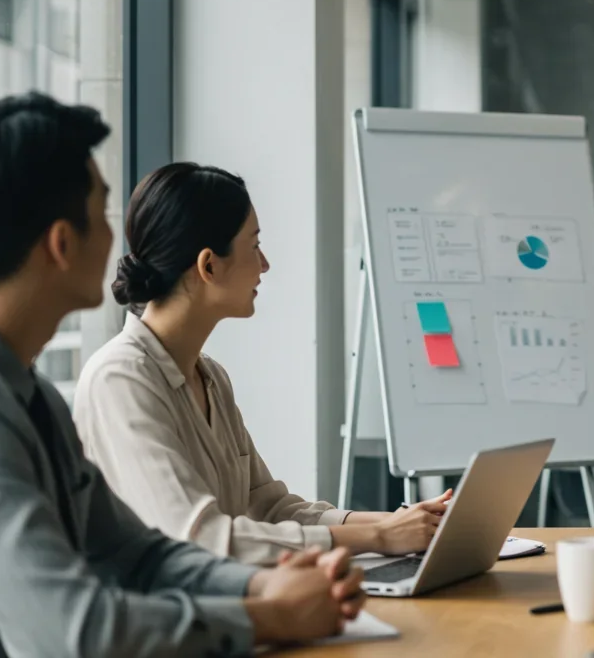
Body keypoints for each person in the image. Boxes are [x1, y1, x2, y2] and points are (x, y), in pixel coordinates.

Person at [0, 92, 366, 657]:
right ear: (62, 244)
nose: (121, 240)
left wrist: (265, 585)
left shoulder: (33, 396)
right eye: (103, 211)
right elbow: (75, 630)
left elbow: (139, 554)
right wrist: (265, 615)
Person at [73, 162, 452, 565]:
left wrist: (399, 522)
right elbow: (199, 536)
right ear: (209, 266)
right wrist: (377, 536)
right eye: (254, 246)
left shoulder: (211, 376)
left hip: (230, 605)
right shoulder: (120, 380)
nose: (265, 264)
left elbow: (268, 505)